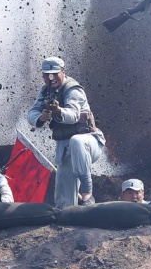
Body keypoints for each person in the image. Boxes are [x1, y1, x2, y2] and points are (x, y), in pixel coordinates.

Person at [27, 57, 105, 208]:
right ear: (43, 75)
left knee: (77, 141)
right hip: (66, 149)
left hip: (88, 144)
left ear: (63, 72)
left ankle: (87, 190)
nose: (52, 78)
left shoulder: (72, 89)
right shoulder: (45, 91)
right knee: (63, 201)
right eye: (48, 75)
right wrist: (41, 117)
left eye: (55, 74)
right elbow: (31, 114)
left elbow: (73, 115)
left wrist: (57, 110)